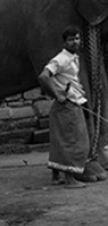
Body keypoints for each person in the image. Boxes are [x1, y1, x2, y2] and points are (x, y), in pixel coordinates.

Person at [38, 26, 89, 188]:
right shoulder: (62, 59)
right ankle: (70, 179)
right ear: (64, 42)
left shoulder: (73, 58)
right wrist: (57, 95)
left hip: (69, 103)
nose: (75, 42)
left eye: (77, 38)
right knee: (74, 141)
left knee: (59, 140)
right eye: (71, 39)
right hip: (67, 104)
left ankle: (56, 177)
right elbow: (44, 76)